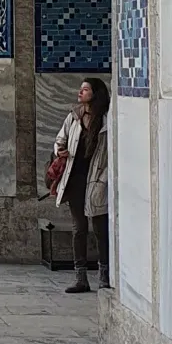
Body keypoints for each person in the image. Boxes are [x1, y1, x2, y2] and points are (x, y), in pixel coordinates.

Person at [52, 78, 111, 293]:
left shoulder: (106, 119)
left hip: (97, 179)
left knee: (100, 228)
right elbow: (61, 139)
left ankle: (104, 274)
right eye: (81, 89)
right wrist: (60, 150)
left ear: (95, 93)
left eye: (85, 89)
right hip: (75, 179)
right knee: (79, 229)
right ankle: (81, 278)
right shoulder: (74, 117)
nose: (80, 92)